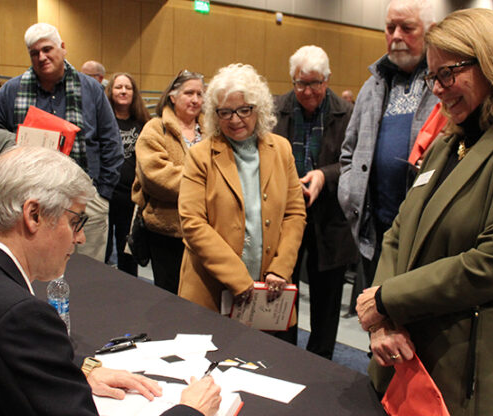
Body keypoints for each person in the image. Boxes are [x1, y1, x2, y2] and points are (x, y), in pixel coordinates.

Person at [356, 9, 493, 414]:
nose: (436, 89)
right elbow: (399, 233)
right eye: (431, 77)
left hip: (481, 381)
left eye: (447, 74)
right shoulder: (448, 143)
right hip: (410, 367)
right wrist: (382, 321)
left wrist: (387, 298)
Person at [0, 146, 222, 416]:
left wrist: (83, 370)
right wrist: (189, 411)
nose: (81, 238)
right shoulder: (19, 316)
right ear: (34, 215)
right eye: (76, 221)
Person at [178, 64, 306, 335]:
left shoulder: (281, 149)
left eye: (244, 109)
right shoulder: (200, 155)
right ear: (215, 114)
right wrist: (238, 278)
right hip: (210, 292)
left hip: (271, 290)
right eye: (225, 112)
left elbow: (294, 214)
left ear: (258, 109)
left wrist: (281, 268)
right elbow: (192, 223)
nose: (235, 119)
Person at [0, 23, 123, 263]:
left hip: (87, 200)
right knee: (38, 272)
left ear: (63, 48)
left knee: (89, 274)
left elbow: (111, 143)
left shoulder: (91, 90)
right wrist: (13, 143)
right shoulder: (12, 90)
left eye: (47, 49)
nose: (42, 57)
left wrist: (102, 194)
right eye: (34, 53)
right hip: (31, 203)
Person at [338, 0, 439, 287]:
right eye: (390, 27)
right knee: (377, 323)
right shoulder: (372, 87)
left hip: (423, 239)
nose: (396, 36)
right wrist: (350, 196)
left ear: (429, 32)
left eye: (407, 28)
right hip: (375, 234)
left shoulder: (442, 84)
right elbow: (348, 153)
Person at [273, 45, 357, 356]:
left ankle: (320, 359)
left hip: (330, 219)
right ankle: (284, 355)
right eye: (300, 83)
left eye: (315, 83)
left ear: (328, 79)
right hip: (284, 216)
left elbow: (353, 163)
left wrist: (323, 175)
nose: (307, 91)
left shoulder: (347, 113)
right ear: (292, 80)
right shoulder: (275, 109)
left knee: (327, 298)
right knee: (282, 290)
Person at [133, 70, 204, 294]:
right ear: (172, 97)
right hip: (167, 233)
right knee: (170, 296)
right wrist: (203, 183)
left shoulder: (212, 131)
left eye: (200, 94)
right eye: (189, 93)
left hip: (206, 231)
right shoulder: (155, 129)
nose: (195, 99)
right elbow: (156, 176)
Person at [105, 72, 151, 275]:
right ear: (111, 91)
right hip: (105, 194)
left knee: (127, 252)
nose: (123, 91)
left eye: (128, 87)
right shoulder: (103, 121)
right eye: (118, 87)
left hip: (131, 197)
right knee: (103, 250)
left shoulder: (144, 124)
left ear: (134, 93)